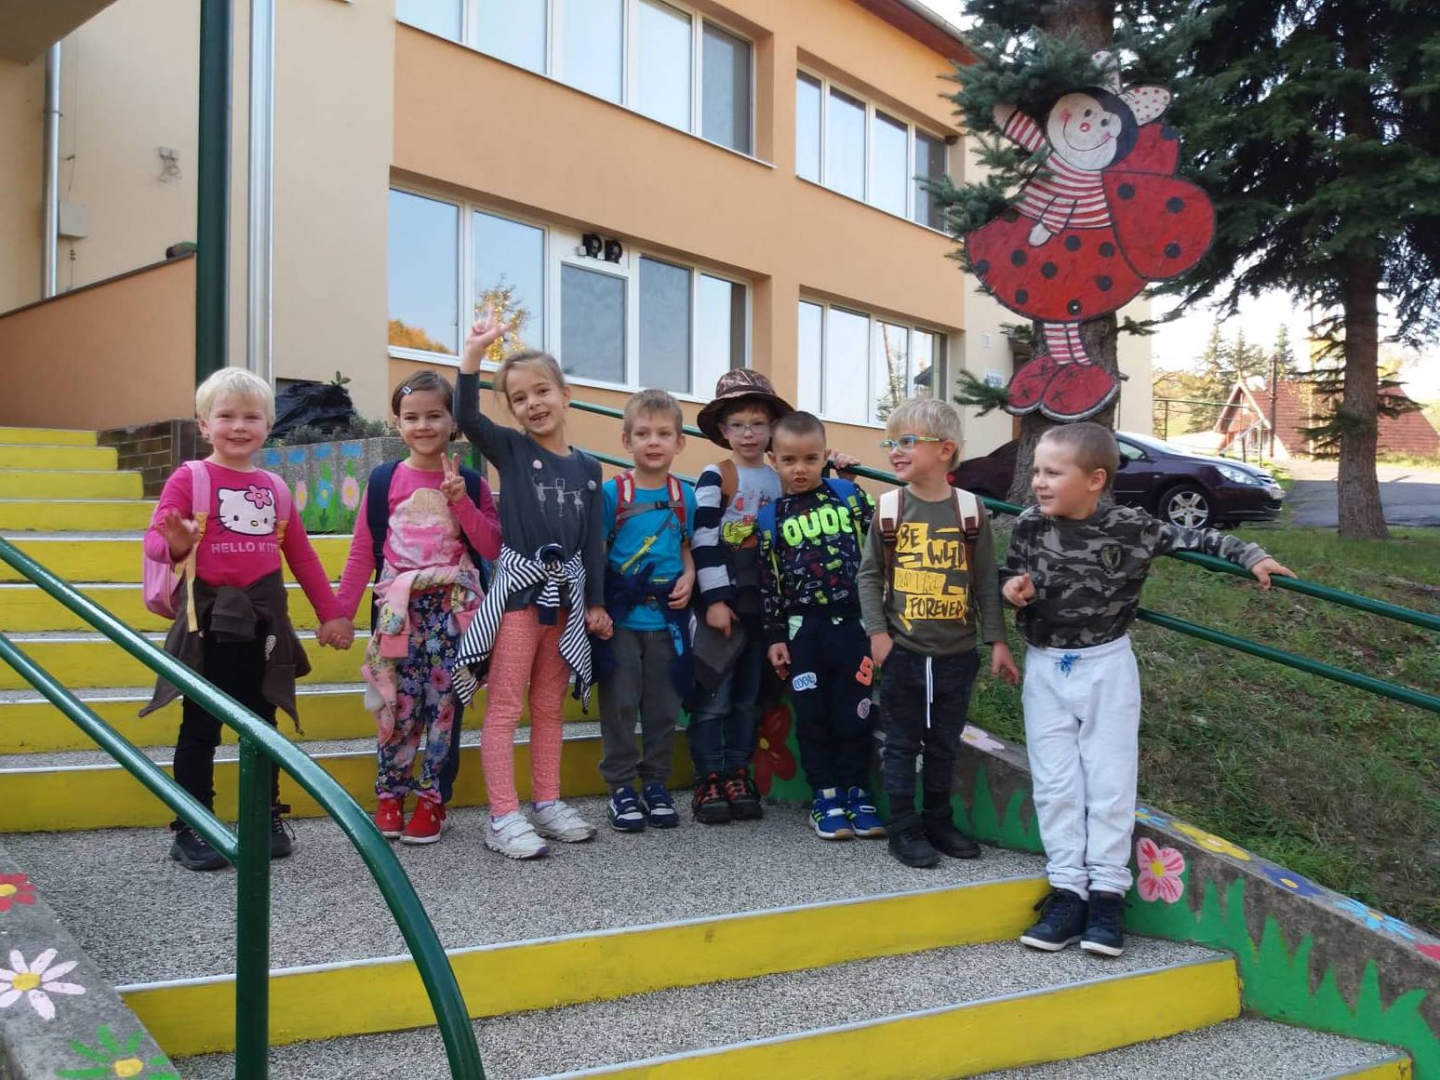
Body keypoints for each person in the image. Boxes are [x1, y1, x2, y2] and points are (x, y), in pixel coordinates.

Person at [1001, 421, 1293, 957]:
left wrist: (1252, 556)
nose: (1039, 482)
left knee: (1109, 782)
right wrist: (1012, 588)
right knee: (1055, 782)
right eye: (1037, 471)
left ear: (1095, 480)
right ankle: (1068, 891)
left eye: (1053, 473)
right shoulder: (1028, 524)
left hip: (1105, 669)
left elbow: (1201, 536)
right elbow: (1011, 571)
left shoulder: (1131, 526)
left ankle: (1107, 896)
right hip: (1044, 668)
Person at [141, 368, 352, 871]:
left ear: (269, 425)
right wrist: (175, 545)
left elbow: (302, 557)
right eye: (226, 416)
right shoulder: (190, 478)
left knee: (263, 724)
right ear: (203, 424)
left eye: (252, 417)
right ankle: (192, 824)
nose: (239, 426)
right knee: (200, 726)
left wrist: (332, 615)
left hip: (264, 625)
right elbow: (154, 541)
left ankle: (264, 816)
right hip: (207, 624)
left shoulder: (275, 487)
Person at [453, 311, 612, 860]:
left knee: (548, 706)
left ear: (565, 395)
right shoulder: (512, 450)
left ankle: (546, 801)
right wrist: (474, 355)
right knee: (504, 708)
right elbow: (466, 415)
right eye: (519, 398)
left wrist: (595, 602)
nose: (533, 403)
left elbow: (592, 543)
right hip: (520, 601)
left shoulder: (590, 469)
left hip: (566, 604)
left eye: (542, 391)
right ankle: (502, 815)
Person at [331, 371, 501, 845]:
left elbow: (491, 546)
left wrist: (462, 504)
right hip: (398, 615)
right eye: (411, 417)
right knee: (396, 706)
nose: (423, 425)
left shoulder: (471, 482)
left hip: (454, 614)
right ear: (397, 423)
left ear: (454, 421)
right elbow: (362, 552)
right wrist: (340, 612)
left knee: (444, 709)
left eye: (434, 415)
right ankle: (391, 795)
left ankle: (432, 800)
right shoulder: (384, 480)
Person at [857, 398, 1019, 868]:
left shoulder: (969, 510)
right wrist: (878, 635)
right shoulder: (890, 508)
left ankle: (938, 820)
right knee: (901, 743)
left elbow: (984, 580)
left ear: (945, 449)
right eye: (891, 442)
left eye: (907, 441)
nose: (895, 451)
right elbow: (869, 575)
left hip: (957, 654)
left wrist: (997, 641)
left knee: (945, 744)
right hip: (903, 651)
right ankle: (903, 826)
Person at [757, 411, 882, 841]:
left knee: (854, 714)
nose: (800, 469)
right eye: (789, 460)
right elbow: (770, 583)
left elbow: (880, 543)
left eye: (811, 458)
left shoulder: (847, 496)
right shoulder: (770, 516)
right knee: (812, 718)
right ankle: (824, 796)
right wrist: (775, 636)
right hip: (803, 631)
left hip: (853, 627)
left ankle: (856, 793)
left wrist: (850, 480)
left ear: (825, 456)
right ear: (773, 461)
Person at [687, 370, 792, 824]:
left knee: (749, 696)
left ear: (772, 427)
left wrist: (838, 470)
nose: (748, 434)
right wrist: (714, 599)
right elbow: (703, 535)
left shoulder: (779, 477)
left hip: (762, 603)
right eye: (738, 425)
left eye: (757, 423)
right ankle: (708, 775)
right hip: (724, 600)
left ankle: (737, 772)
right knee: (715, 693)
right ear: (723, 430)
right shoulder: (717, 474)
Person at [597, 389, 697, 832]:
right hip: (621, 622)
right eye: (642, 434)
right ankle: (621, 787)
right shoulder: (612, 494)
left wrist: (690, 576)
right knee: (620, 705)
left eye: (663, 433)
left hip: (667, 621)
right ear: (626, 441)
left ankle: (656, 784)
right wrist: (596, 606)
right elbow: (596, 553)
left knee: (663, 707)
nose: (653, 442)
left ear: (680, 442)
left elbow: (686, 546)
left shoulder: (684, 495)